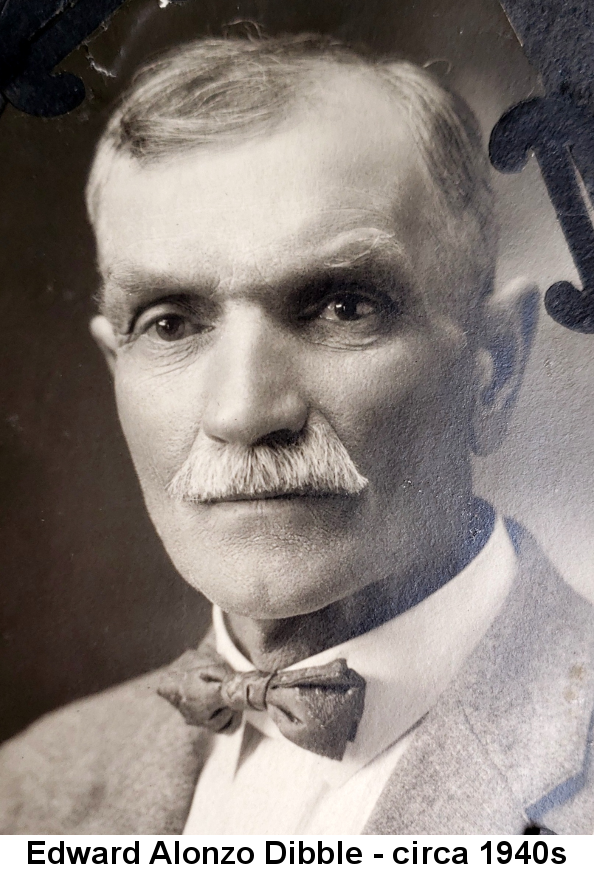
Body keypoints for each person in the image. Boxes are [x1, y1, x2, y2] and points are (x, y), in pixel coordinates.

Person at [1, 34, 593, 836]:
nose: (244, 413)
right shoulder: (29, 787)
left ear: (494, 366)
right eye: (170, 323)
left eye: (343, 306)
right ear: (116, 368)